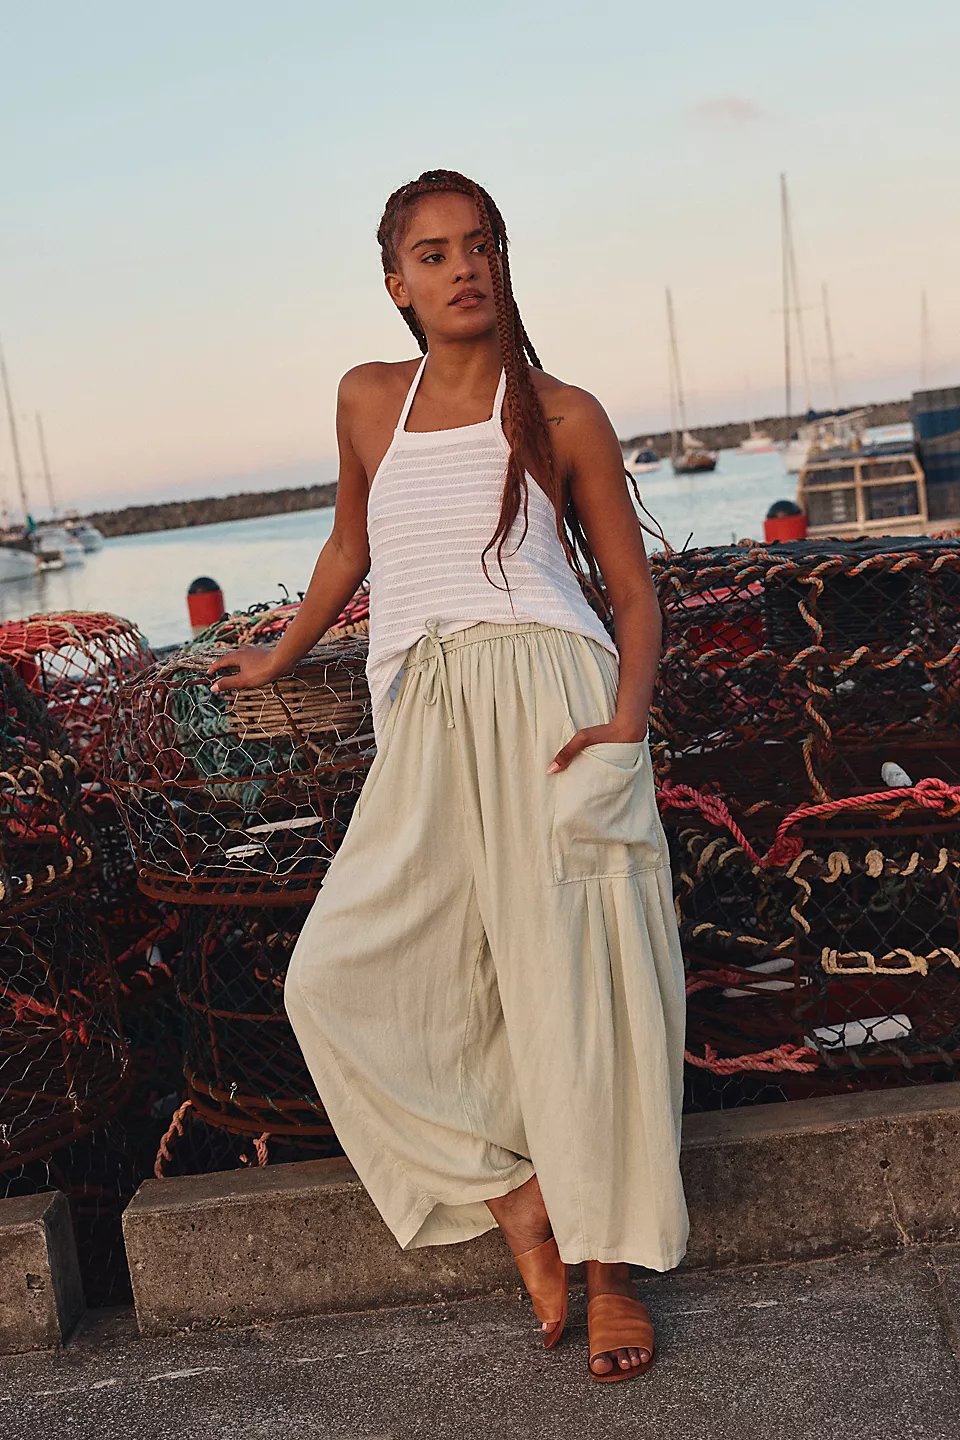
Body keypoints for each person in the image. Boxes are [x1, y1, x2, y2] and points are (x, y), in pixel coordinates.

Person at [208, 168, 688, 1384]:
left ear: (502, 259)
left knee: (578, 986)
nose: (463, 267)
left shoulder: (563, 412)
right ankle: (517, 1197)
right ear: (397, 284)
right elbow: (351, 542)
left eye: (480, 245)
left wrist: (624, 727)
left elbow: (631, 595)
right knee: (339, 975)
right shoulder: (370, 398)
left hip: (552, 701)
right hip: (421, 711)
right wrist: (280, 655)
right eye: (434, 255)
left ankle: (612, 1270)